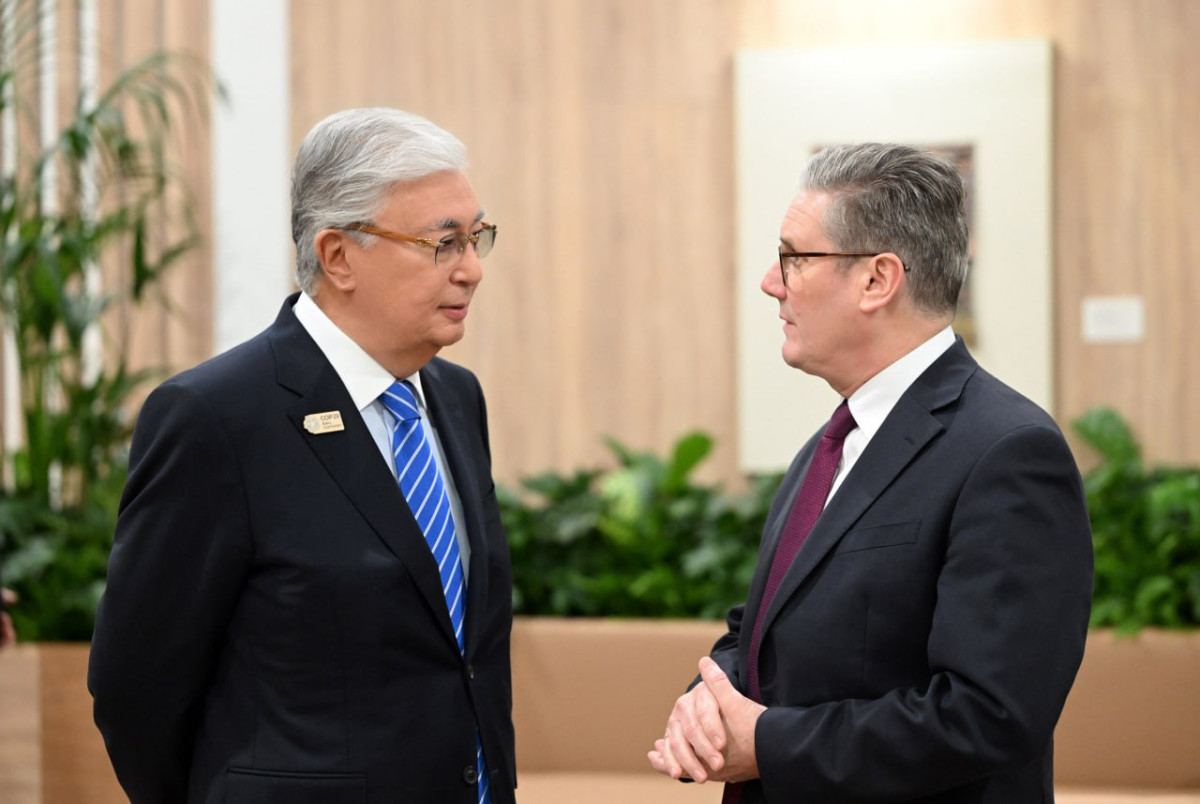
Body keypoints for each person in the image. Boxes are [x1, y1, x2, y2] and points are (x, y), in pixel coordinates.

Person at [88, 107, 515, 804]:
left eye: (476, 238)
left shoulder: (456, 398)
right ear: (338, 256)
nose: (470, 270)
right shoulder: (215, 416)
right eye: (442, 244)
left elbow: (466, 658)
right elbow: (137, 684)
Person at [648, 143, 1093, 803]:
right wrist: (708, 705)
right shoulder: (831, 443)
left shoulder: (1009, 452)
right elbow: (763, 630)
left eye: (794, 258)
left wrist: (768, 743)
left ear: (877, 280)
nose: (771, 282)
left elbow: (989, 715)